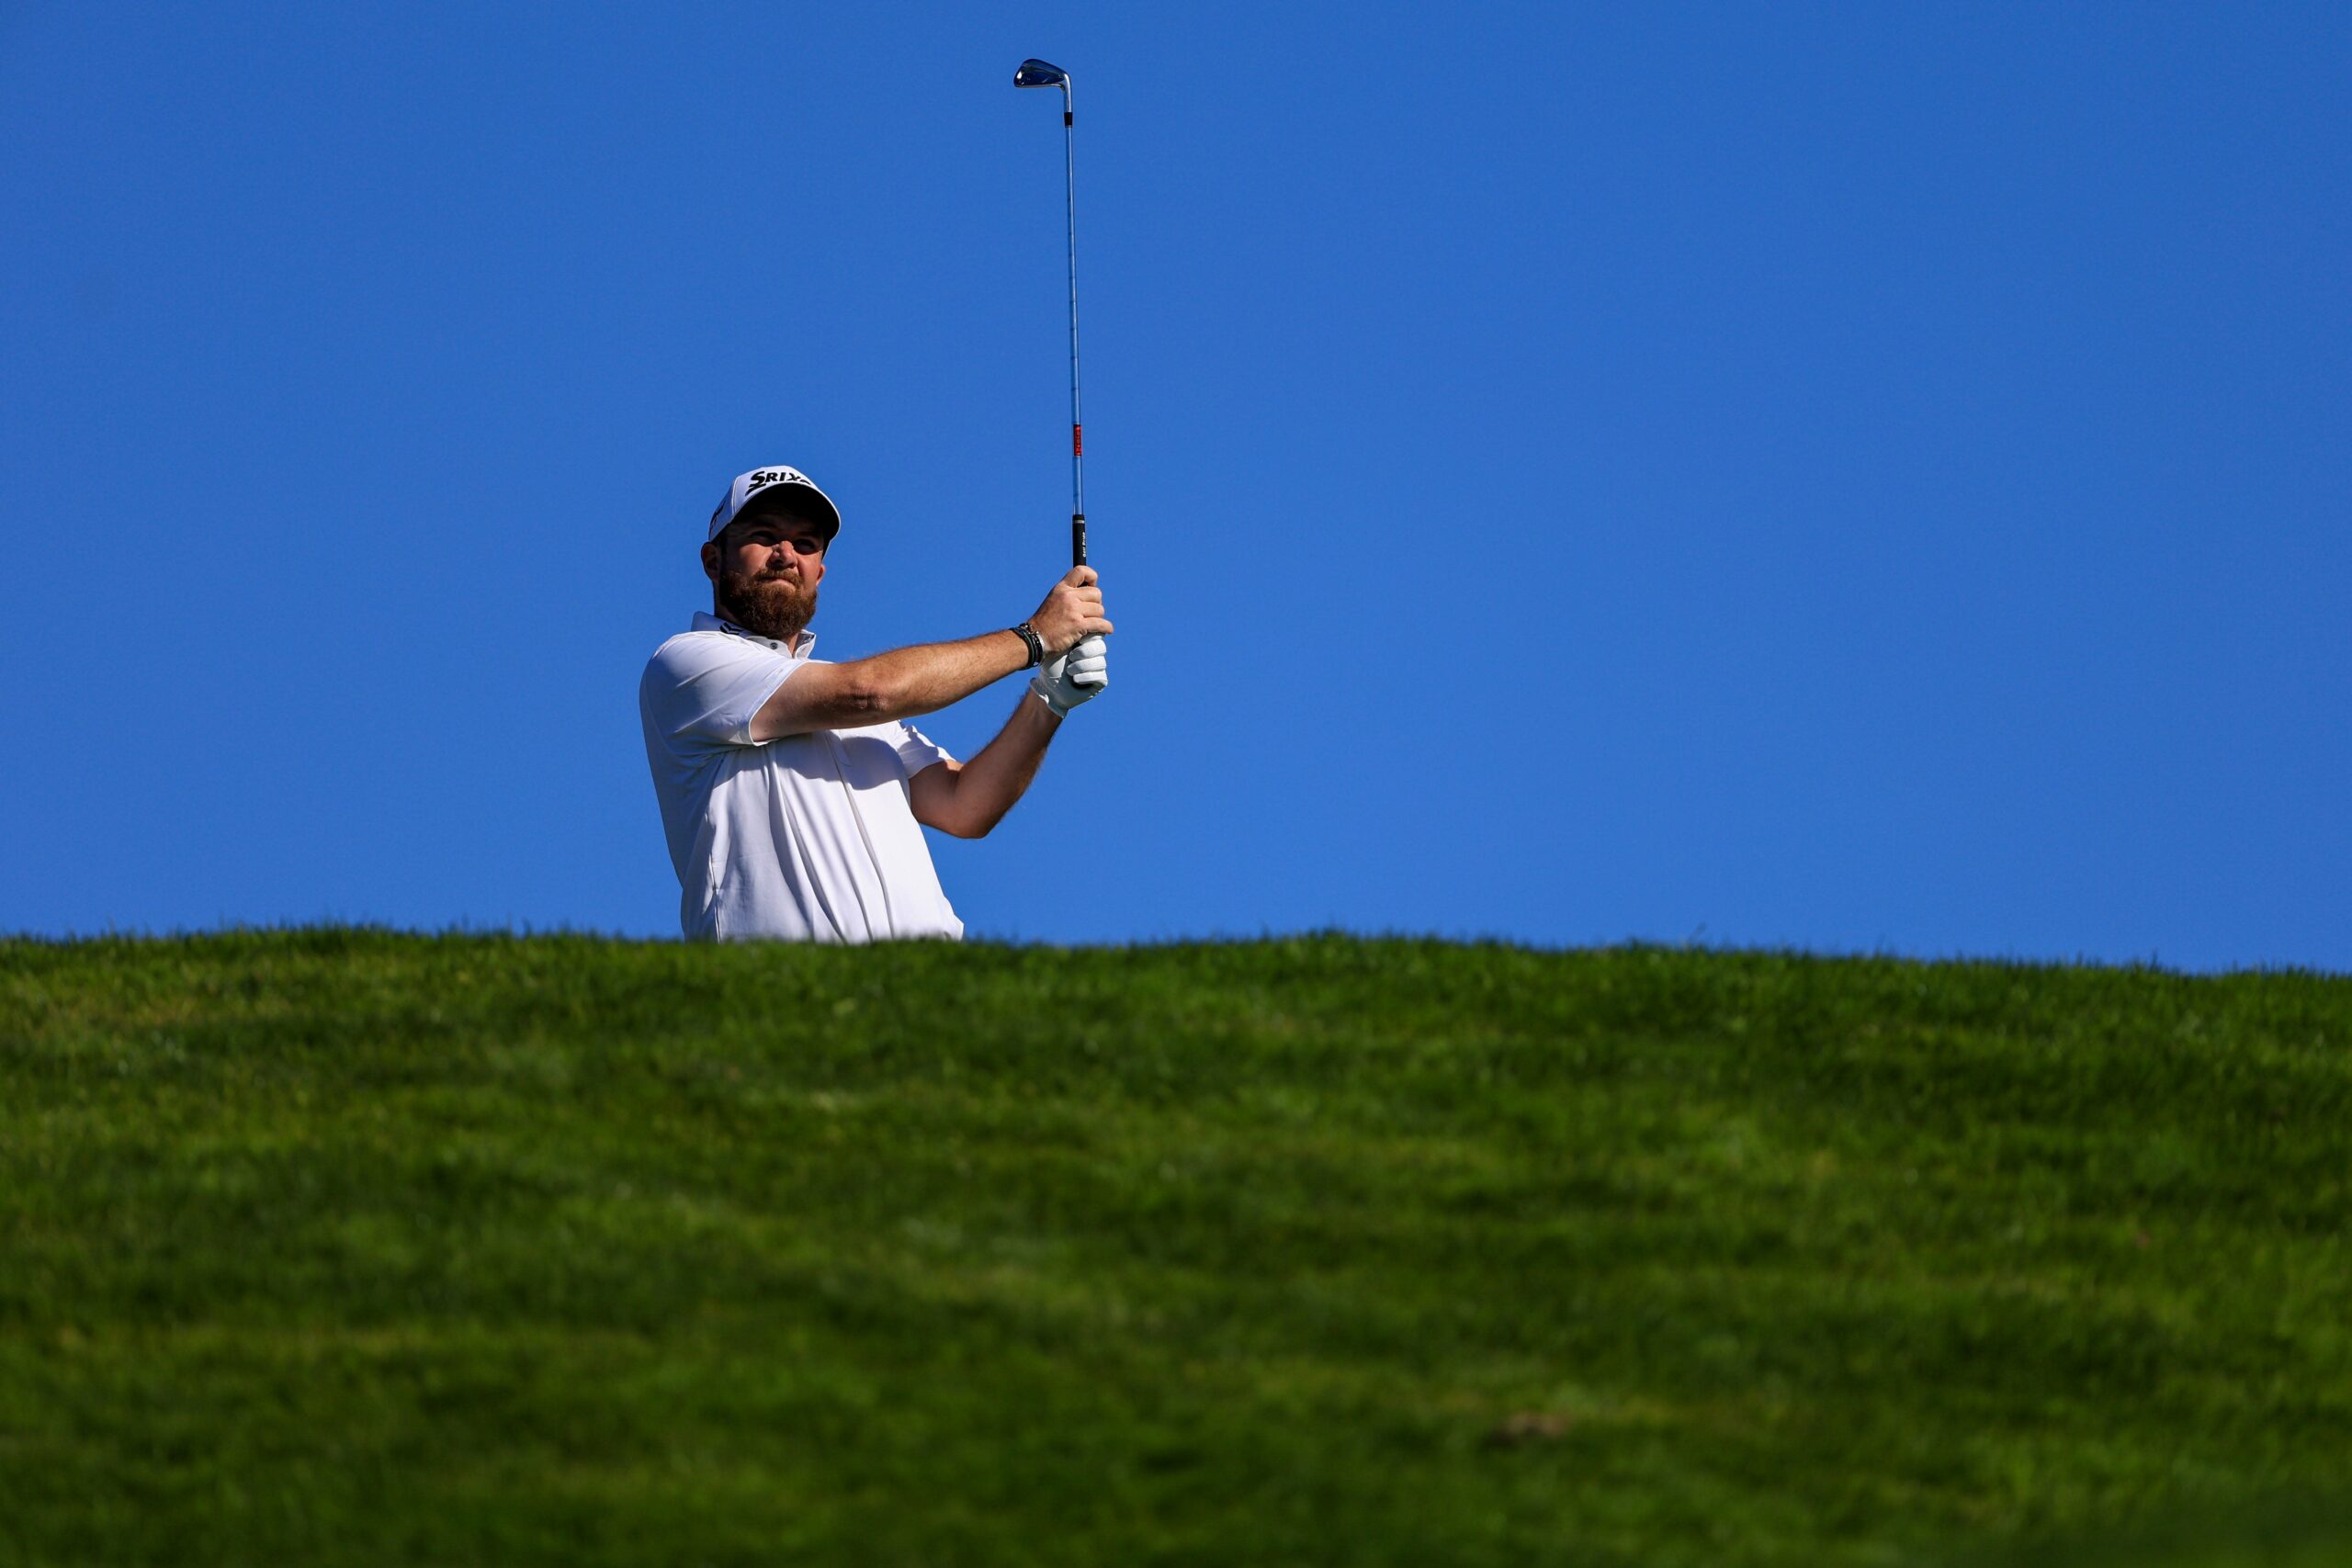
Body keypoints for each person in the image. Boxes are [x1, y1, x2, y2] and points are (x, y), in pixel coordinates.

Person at [639, 464, 1113, 942]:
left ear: (819, 572)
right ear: (713, 560)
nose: (786, 554)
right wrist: (1033, 639)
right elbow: (870, 692)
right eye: (764, 536)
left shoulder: (857, 714)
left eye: (806, 544)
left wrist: (1048, 701)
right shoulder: (688, 662)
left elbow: (966, 806)